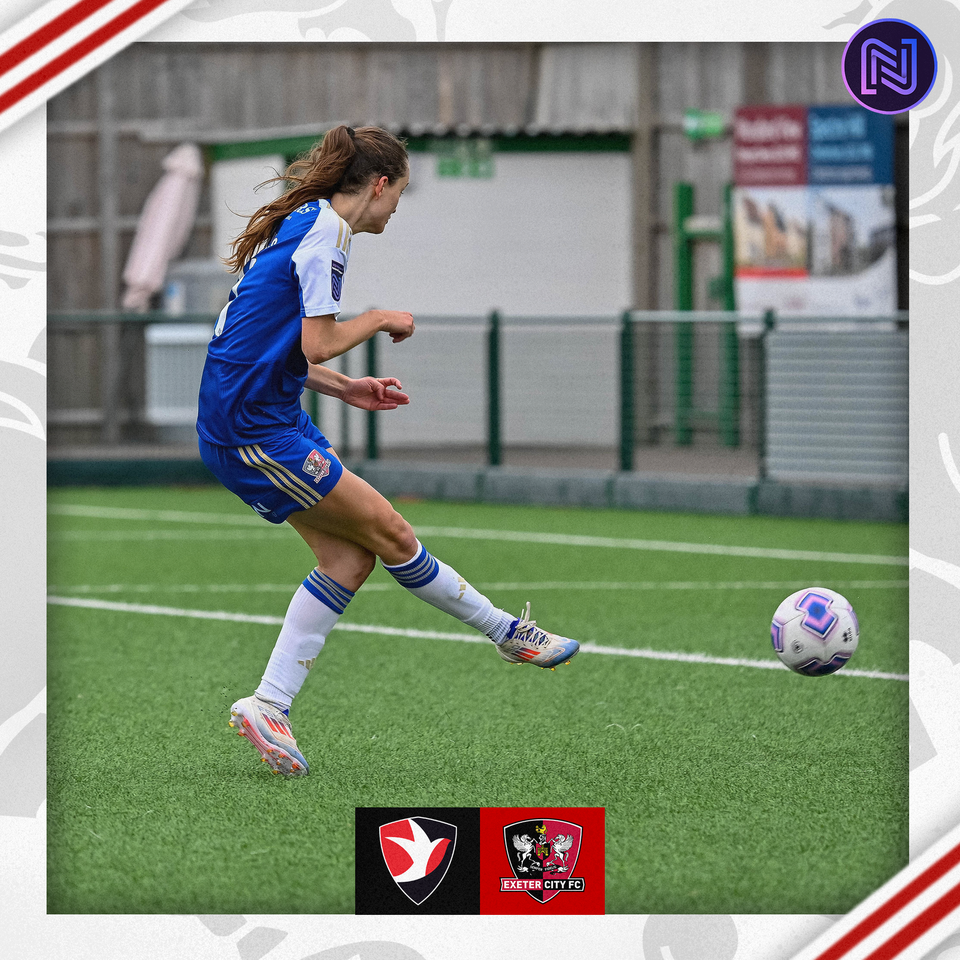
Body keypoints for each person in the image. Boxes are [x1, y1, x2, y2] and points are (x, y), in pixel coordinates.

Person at [197, 124, 580, 778]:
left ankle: (270, 704)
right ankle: (506, 634)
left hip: (263, 415)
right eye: (397, 194)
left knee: (349, 559)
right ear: (378, 185)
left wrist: (344, 387)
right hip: (252, 429)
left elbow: (273, 345)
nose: (397, 208)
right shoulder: (327, 235)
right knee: (392, 529)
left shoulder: (307, 223)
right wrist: (377, 318)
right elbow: (314, 342)